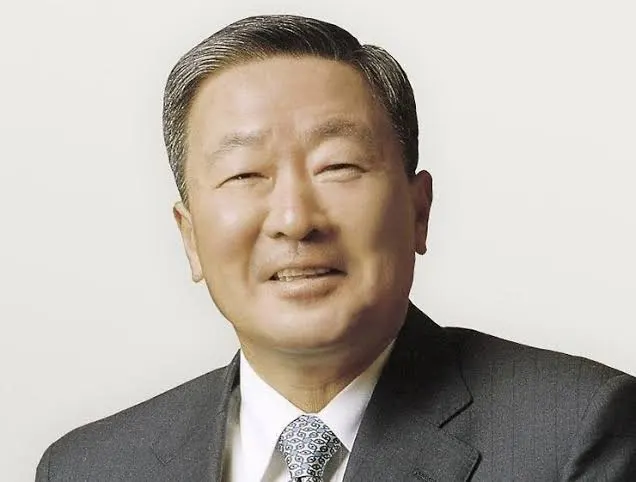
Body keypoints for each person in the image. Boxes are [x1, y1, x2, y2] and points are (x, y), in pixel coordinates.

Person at [36, 14, 636, 482]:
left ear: (418, 211)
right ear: (190, 238)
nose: (295, 220)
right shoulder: (88, 469)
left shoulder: (575, 433)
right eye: (245, 174)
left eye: (339, 166)